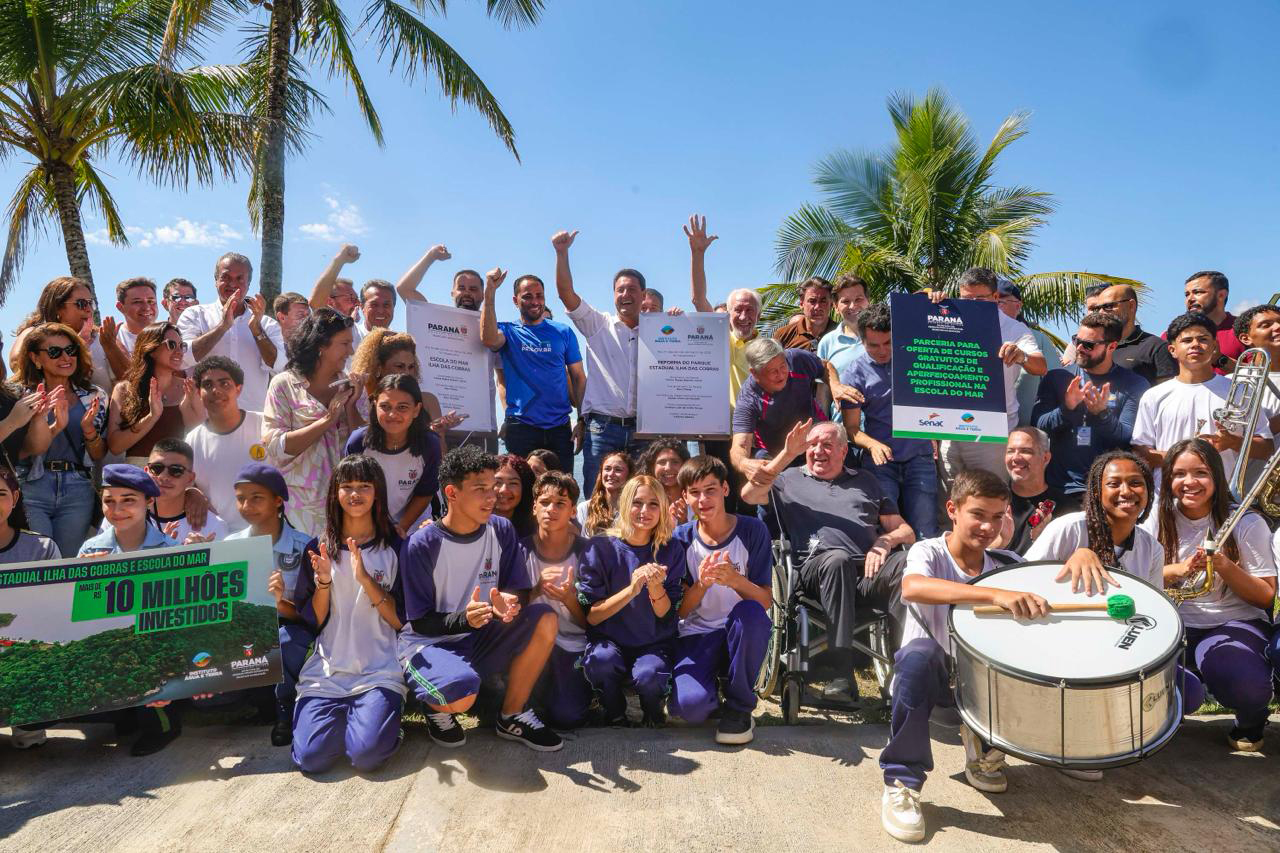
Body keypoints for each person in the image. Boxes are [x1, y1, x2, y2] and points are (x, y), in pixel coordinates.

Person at [877, 469, 1030, 842]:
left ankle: (983, 746)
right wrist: (993, 595)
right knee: (919, 655)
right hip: (934, 689)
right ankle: (902, 780)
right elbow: (913, 587)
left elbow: (1054, 576)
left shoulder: (1008, 561)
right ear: (953, 510)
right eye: (978, 514)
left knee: (1024, 656)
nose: (987, 526)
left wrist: (1084, 554)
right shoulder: (927, 550)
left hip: (983, 688)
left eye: (997, 517)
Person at [398, 445, 563, 751]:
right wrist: (465, 618)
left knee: (545, 618)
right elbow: (419, 622)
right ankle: (435, 709)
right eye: (481, 489)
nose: (493, 496)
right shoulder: (421, 545)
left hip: (482, 633)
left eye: (492, 487)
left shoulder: (501, 529)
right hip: (431, 643)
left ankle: (512, 715)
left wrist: (508, 604)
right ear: (452, 492)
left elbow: (515, 591)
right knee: (461, 695)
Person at [741, 421, 914, 695]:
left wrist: (885, 541)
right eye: (812, 445)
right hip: (815, 574)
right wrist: (786, 454)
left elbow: (905, 530)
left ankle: (906, 669)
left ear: (844, 451)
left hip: (866, 573)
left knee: (909, 564)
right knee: (838, 559)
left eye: (827, 445)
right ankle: (842, 674)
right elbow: (749, 495)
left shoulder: (867, 481)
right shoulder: (787, 480)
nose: (818, 451)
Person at [1155, 438, 1275, 751]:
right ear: (1168, 479)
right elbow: (1137, 575)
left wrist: (1222, 565)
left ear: (1217, 479)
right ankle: (1170, 711)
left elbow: (1266, 597)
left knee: (1243, 681)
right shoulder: (1156, 518)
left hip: (1232, 623)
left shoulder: (1246, 523)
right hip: (1172, 626)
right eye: (1179, 474)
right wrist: (1177, 569)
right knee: (1162, 688)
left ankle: (1250, 718)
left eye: (1201, 473)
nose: (1189, 482)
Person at [289, 455, 407, 773]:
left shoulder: (396, 547)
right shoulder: (318, 548)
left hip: (378, 672)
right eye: (347, 486)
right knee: (311, 760)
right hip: (326, 675)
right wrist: (324, 581)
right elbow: (314, 621)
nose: (355, 494)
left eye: (364, 486)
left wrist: (366, 580)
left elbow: (401, 621)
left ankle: (379, 723)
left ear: (377, 493)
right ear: (335, 494)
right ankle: (346, 722)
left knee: (367, 757)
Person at [79, 464, 207, 756]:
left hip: (157, 642)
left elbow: (184, 617)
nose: (117, 509)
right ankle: (124, 712)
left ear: (149, 502)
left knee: (152, 664)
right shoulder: (90, 551)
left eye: (128, 500)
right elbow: (81, 616)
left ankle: (163, 725)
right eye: (109, 501)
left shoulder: (169, 549)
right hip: (110, 640)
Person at [669, 456, 772, 744]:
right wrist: (702, 584)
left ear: (725, 489)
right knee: (690, 708)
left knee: (750, 614)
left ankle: (740, 706)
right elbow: (679, 612)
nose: (703, 499)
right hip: (697, 634)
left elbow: (765, 601)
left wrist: (735, 581)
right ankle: (714, 684)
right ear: (686, 497)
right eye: (694, 492)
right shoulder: (680, 538)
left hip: (740, 630)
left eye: (710, 490)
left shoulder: (753, 531)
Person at [578, 474, 686, 727]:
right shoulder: (599, 547)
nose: (644, 511)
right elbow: (592, 615)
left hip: (653, 641)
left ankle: (653, 711)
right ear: (625, 504)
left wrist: (655, 588)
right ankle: (613, 711)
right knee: (600, 662)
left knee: (650, 675)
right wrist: (633, 588)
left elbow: (665, 614)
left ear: (662, 508)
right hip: (608, 640)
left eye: (653, 504)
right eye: (637, 503)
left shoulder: (671, 549)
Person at [551, 229, 651, 495]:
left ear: (643, 294)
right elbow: (565, 293)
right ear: (613, 294)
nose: (625, 294)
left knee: (641, 498)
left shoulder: (660, 332)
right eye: (620, 290)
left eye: (631, 289)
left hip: (645, 431)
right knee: (596, 498)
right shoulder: (597, 325)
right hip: (603, 430)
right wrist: (562, 253)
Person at [1132, 312, 1272, 495]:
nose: (1195, 345)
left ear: (1215, 346)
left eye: (1203, 339)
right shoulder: (1154, 396)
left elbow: (1266, 449)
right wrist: (1186, 459)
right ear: (1172, 350)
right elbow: (1140, 451)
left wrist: (1233, 442)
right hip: (1167, 500)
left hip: (1223, 498)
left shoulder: (1240, 391)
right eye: (1187, 340)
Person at [928, 268, 1046, 484]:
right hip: (950, 430)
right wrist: (926, 301)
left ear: (995, 298)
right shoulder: (946, 318)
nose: (972, 304)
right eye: (966, 299)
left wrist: (1021, 356)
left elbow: (1040, 366)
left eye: (979, 299)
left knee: (992, 497)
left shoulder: (1014, 329)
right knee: (951, 502)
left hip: (993, 434)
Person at [227, 463, 313, 747]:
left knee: (285, 641)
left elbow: (312, 614)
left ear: (278, 501)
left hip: (289, 626)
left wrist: (279, 602)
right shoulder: (230, 546)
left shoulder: (304, 547)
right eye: (240, 498)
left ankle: (285, 707)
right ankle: (260, 700)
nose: (247, 505)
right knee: (212, 701)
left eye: (256, 497)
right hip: (243, 628)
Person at [262, 308, 363, 537]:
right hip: (296, 510)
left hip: (346, 507)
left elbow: (363, 449)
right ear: (321, 346)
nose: (351, 351)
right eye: (344, 344)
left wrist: (351, 406)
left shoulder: (351, 385)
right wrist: (328, 419)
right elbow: (275, 447)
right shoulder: (284, 385)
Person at [840, 302, 938, 538]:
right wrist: (873, 445)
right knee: (887, 531)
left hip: (920, 457)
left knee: (925, 532)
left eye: (888, 343)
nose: (883, 350)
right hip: (881, 463)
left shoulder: (918, 358)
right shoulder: (854, 373)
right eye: (874, 345)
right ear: (862, 341)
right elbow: (851, 428)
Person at [13, 322, 109, 557]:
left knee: (68, 562)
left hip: (78, 486)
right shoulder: (19, 396)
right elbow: (20, 451)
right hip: (32, 484)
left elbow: (98, 455)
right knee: (36, 560)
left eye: (71, 350)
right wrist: (46, 422)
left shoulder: (94, 396)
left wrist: (88, 431)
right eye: (55, 352)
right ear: (36, 358)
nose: (66, 357)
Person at [395, 244, 500, 454]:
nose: (467, 293)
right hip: (435, 425)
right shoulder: (433, 317)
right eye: (461, 288)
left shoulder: (493, 331)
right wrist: (431, 256)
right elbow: (404, 288)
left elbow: (502, 380)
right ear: (452, 292)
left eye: (473, 289)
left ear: (482, 294)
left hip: (479, 427)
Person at [1032, 311, 1149, 495]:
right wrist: (1067, 409)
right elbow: (1038, 427)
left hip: (1106, 490)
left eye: (1089, 345)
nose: (1079, 348)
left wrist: (1102, 414)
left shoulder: (1133, 384)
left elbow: (1127, 438)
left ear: (1111, 347)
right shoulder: (1057, 377)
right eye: (1077, 341)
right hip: (1058, 487)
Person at [686, 214, 758, 510]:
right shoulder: (720, 337)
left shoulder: (768, 347)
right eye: (737, 310)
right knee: (719, 498)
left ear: (759, 315)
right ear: (727, 314)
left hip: (755, 433)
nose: (743, 316)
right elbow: (698, 298)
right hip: (718, 429)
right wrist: (697, 253)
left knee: (749, 500)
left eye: (750, 310)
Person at [480, 268, 584, 466]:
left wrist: (582, 420)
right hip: (521, 427)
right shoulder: (507, 330)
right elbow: (489, 339)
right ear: (515, 300)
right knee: (521, 491)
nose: (535, 301)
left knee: (561, 490)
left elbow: (579, 377)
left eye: (539, 296)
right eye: (527, 296)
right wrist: (490, 292)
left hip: (560, 429)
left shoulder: (563, 331)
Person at [728, 337, 861, 477]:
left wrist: (835, 385)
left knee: (847, 458)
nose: (780, 374)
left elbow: (825, 366)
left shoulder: (796, 359)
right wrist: (743, 463)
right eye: (772, 371)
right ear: (754, 373)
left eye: (782, 366)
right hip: (778, 454)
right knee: (762, 469)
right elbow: (740, 445)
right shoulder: (748, 400)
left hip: (815, 437)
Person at [524, 471, 594, 730]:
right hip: (531, 644)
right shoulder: (520, 550)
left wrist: (568, 598)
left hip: (575, 643)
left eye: (560, 504)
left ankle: (586, 690)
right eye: (544, 502)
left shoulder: (588, 551)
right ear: (534, 507)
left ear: (573, 511)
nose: (551, 510)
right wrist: (535, 590)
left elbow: (594, 622)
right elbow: (511, 612)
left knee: (568, 717)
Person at [177, 252, 285, 413]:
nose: (232, 284)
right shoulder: (194, 315)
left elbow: (280, 366)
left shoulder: (266, 324)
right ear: (215, 281)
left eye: (239, 278)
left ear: (248, 284)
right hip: (204, 418)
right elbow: (183, 359)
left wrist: (257, 331)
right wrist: (222, 327)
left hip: (253, 419)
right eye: (226, 277)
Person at [0, 465, 60, 749]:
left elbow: (55, 613)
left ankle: (27, 729)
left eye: (0, 494)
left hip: (23, 653)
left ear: (15, 496)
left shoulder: (42, 548)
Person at [345, 374, 442, 535]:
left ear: (416, 410)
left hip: (412, 528)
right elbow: (350, 490)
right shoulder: (358, 442)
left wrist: (401, 528)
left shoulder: (429, 444)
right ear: (374, 405)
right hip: (367, 527)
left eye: (402, 407)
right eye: (385, 406)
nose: (392, 414)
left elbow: (425, 492)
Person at [184, 356, 268, 534]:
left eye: (225, 384)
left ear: (238, 389)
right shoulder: (192, 441)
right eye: (207, 385)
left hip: (269, 534)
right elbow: (185, 483)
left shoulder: (265, 425)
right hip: (220, 538)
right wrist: (191, 491)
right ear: (198, 393)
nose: (216, 390)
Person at [106, 322, 200, 464]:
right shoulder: (124, 390)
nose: (179, 351)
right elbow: (115, 447)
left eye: (182, 346)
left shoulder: (188, 388)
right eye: (171, 345)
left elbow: (201, 440)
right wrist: (152, 416)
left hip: (175, 475)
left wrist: (191, 406)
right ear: (150, 349)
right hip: (137, 477)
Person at [10, 276, 114, 393]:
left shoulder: (102, 336)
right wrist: (77, 346)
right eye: (81, 303)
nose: (89, 309)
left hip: (102, 408)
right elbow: (16, 362)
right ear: (58, 307)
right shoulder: (34, 333)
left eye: (91, 303)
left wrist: (112, 347)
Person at [349, 328, 456, 436]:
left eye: (411, 367)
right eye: (399, 366)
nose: (407, 373)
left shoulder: (428, 401)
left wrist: (437, 432)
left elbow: (440, 452)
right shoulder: (361, 398)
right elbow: (357, 444)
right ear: (379, 367)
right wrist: (351, 405)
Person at [993, 427, 1080, 555]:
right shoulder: (991, 501)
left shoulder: (1068, 509)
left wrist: (1046, 539)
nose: (1015, 458)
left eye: (1025, 451)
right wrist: (1001, 541)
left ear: (1045, 458)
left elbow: (1075, 558)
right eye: (1010, 451)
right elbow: (973, 550)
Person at [996, 278, 1062, 427]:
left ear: (1018, 306)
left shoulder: (1038, 338)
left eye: (1001, 302)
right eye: (993, 301)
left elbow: (1055, 380)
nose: (996, 307)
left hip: (1028, 427)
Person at [1081, 284, 1177, 385]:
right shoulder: (1093, 347)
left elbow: (1168, 395)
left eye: (1108, 306)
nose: (1101, 313)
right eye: (1098, 308)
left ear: (1131, 306)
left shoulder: (1156, 347)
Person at [145, 438, 228, 541]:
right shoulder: (129, 519)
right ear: (146, 471)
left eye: (176, 470)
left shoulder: (213, 526)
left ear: (190, 479)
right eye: (156, 468)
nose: (163, 476)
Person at [1182, 270, 1244, 366]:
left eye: (1198, 292)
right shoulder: (1173, 334)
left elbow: (1261, 373)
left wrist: (1220, 360)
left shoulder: (1246, 330)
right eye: (1187, 294)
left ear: (1221, 295)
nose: (1190, 299)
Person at [817, 274, 870, 378]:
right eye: (846, 301)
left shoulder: (887, 335)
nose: (853, 306)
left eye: (858, 299)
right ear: (836, 307)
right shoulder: (827, 342)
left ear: (868, 301)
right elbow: (822, 386)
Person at [637, 439, 692, 527]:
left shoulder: (696, 499)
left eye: (675, 462)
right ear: (652, 467)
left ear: (685, 465)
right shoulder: (639, 501)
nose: (668, 468)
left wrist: (684, 522)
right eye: (662, 462)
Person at [577, 450, 633, 535]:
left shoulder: (634, 510)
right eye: (607, 469)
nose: (611, 474)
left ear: (629, 476)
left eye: (618, 470)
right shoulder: (584, 508)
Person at [772, 277, 833, 352]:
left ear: (831, 304)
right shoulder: (783, 335)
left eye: (823, 301)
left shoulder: (843, 333)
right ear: (801, 304)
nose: (817, 307)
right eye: (812, 301)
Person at [111, 277, 160, 368]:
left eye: (151, 301)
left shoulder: (170, 334)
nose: (147, 307)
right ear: (120, 307)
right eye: (137, 302)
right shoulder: (112, 338)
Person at [494, 453, 536, 538]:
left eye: (513, 483)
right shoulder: (470, 525)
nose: (504, 490)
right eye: (497, 482)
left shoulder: (536, 531)